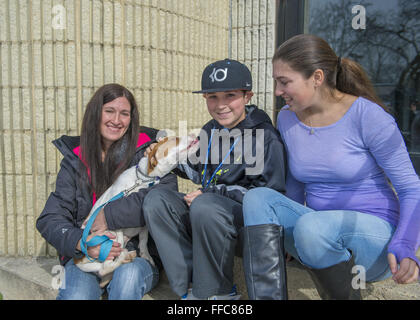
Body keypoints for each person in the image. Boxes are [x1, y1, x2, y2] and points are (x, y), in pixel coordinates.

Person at [243, 34, 420, 300]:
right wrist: (288, 232)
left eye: (284, 82)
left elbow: (410, 188)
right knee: (257, 198)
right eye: (276, 82)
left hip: (373, 244)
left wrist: (406, 244)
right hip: (314, 238)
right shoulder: (287, 119)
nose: (278, 91)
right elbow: (295, 183)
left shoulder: (368, 116)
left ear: (316, 77)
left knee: (313, 227)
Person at [142, 59, 287, 300]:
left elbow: (269, 198)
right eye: (212, 97)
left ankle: (217, 292)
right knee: (157, 199)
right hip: (206, 213)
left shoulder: (264, 137)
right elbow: (200, 172)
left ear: (247, 96)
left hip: (246, 226)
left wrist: (216, 193)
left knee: (206, 205)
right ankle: (188, 286)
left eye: (230, 95)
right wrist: (162, 150)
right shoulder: (211, 129)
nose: (220, 105)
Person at [36, 83, 178, 300]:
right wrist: (82, 242)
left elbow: (164, 196)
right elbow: (50, 218)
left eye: (124, 114)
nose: (117, 120)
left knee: (128, 281)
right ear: (95, 114)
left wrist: (107, 216)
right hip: (88, 254)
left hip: (136, 255)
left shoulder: (147, 151)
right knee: (76, 296)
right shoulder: (75, 159)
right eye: (109, 111)